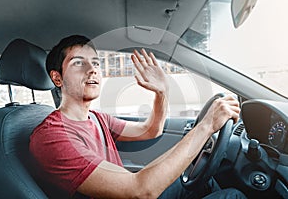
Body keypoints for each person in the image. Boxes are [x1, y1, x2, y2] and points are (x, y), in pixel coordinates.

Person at [30, 35, 246, 199]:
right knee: (232, 196)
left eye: (95, 63)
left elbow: (152, 130)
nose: (92, 70)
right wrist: (206, 126)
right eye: (79, 63)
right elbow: (140, 190)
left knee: (203, 183)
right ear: (57, 78)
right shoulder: (52, 137)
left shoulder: (96, 118)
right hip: (136, 192)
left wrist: (162, 93)